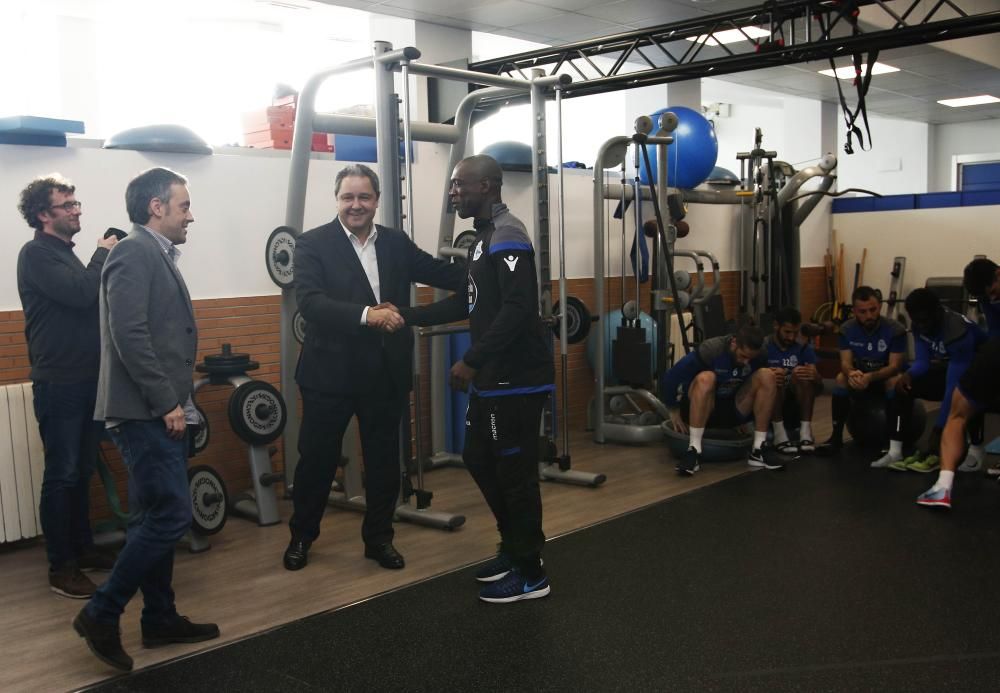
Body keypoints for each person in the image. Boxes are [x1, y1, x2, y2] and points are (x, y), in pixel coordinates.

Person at [284, 164, 465, 573]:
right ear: (337, 199)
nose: (356, 205)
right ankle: (301, 537)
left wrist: (493, 263)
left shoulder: (396, 243)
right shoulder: (312, 244)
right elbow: (310, 303)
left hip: (384, 372)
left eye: (364, 197)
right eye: (348, 197)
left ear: (377, 200)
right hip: (329, 374)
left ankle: (379, 539)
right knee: (316, 461)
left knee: (384, 462)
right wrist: (370, 315)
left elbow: (442, 272)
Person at [72, 168, 218, 672]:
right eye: (183, 205)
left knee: (150, 516)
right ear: (157, 207)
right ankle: (101, 612)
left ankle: (159, 617)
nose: (190, 214)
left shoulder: (152, 253)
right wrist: (166, 403)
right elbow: (129, 334)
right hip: (144, 413)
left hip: (156, 410)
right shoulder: (133, 252)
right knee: (172, 516)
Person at [399, 155, 555, 603]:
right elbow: (467, 304)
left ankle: (531, 574)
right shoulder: (481, 240)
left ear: (486, 186)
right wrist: (405, 315)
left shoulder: (509, 235)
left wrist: (471, 358)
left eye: (458, 185)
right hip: (494, 378)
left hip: (518, 379)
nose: (453, 193)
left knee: (515, 474)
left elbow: (518, 307)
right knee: (478, 457)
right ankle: (514, 546)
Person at [16, 175, 119, 599]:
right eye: (67, 204)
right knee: (61, 475)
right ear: (44, 215)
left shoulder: (63, 254)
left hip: (86, 381)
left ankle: (81, 549)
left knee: (81, 472)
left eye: (77, 202)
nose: (77, 210)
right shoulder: (36, 255)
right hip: (59, 384)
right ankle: (61, 567)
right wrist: (102, 252)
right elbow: (80, 295)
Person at [882, 289, 986, 473]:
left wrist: (938, 430)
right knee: (902, 386)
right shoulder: (918, 325)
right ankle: (895, 450)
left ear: (937, 312)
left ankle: (976, 451)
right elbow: (923, 361)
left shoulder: (956, 330)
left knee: (968, 394)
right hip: (949, 369)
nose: (921, 326)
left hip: (983, 374)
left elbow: (953, 385)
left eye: (925, 320)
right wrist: (909, 375)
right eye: (917, 321)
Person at [662, 325, 782, 475]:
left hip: (731, 409)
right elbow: (671, 377)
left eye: (750, 359)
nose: (746, 362)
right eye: (743, 356)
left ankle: (759, 449)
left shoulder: (760, 354)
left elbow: (759, 391)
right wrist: (673, 409)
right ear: (733, 343)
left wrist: (747, 419)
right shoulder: (712, 349)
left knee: (768, 375)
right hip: (705, 407)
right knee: (707, 378)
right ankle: (693, 450)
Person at [815, 286, 906, 458]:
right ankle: (836, 437)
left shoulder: (895, 330)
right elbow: (845, 363)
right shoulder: (847, 329)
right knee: (841, 378)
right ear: (855, 311)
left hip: (883, 377)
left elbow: (895, 366)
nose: (869, 315)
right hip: (861, 377)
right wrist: (852, 374)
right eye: (863, 312)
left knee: (895, 380)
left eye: (873, 310)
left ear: (879, 306)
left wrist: (870, 377)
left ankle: (893, 443)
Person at [917, 337, 1000, 509]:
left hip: (994, 350)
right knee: (961, 412)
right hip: (993, 352)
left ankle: (942, 487)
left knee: (958, 416)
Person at [764, 307, 822, 454]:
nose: (791, 337)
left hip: (796, 407)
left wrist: (815, 377)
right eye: (787, 332)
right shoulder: (764, 346)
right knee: (774, 377)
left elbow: (820, 389)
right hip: (771, 407)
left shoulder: (803, 348)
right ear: (776, 326)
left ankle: (805, 431)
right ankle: (779, 433)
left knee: (803, 375)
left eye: (795, 333)